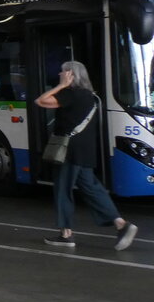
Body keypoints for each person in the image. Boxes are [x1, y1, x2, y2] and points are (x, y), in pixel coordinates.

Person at [37, 60, 138, 250]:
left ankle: (66, 234)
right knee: (91, 188)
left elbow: (41, 101)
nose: (59, 74)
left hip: (68, 151)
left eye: (63, 72)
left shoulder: (69, 94)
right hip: (85, 151)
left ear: (70, 75)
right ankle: (121, 224)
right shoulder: (90, 96)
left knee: (62, 190)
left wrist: (61, 86)